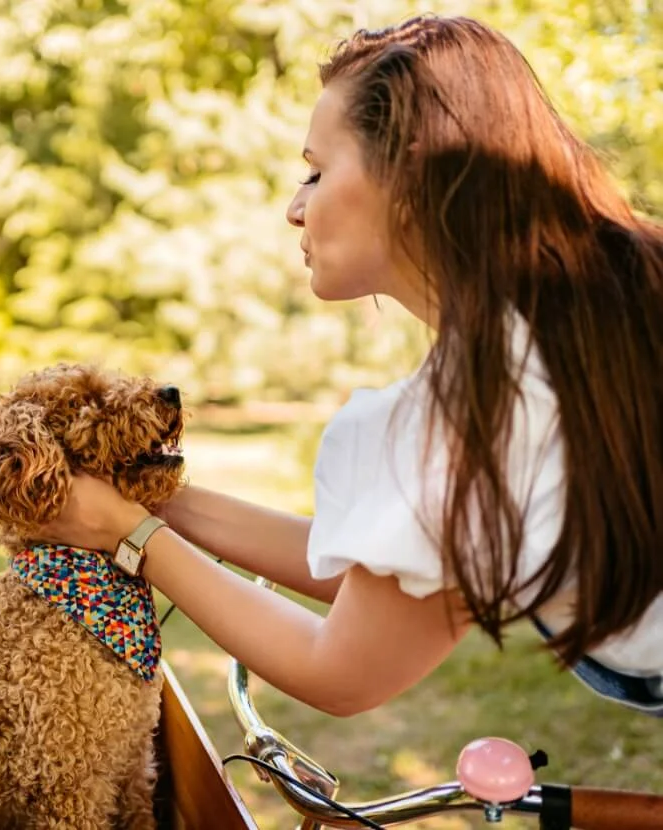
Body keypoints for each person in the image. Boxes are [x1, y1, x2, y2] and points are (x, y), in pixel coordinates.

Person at [38, 14, 663, 717]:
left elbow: (341, 668)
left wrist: (129, 536)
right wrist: (155, 501)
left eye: (316, 171)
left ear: (412, 168)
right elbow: (376, 582)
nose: (294, 209)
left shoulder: (478, 402)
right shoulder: (610, 297)